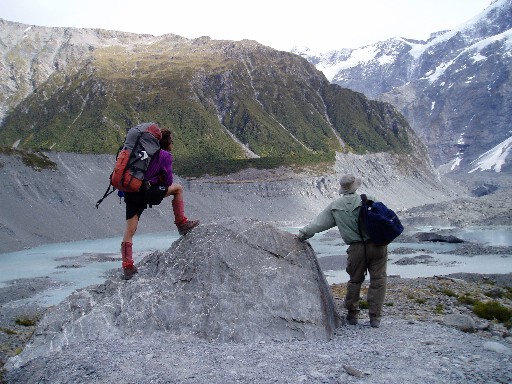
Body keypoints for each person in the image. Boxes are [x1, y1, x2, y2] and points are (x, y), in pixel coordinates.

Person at [298, 174, 387, 328]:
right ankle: (375, 318)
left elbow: (318, 224)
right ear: (355, 186)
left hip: (356, 248)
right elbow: (385, 216)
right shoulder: (368, 198)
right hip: (378, 245)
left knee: (355, 281)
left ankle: (352, 315)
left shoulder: (336, 206)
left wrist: (302, 234)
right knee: (378, 281)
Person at [120, 126, 199, 280]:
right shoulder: (165, 156)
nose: (172, 144)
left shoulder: (143, 153)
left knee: (130, 229)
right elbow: (169, 181)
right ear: (166, 143)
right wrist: (159, 181)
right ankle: (181, 223)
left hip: (132, 192)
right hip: (148, 192)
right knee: (178, 189)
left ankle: (127, 267)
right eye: (171, 141)